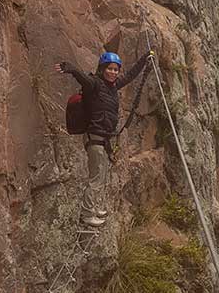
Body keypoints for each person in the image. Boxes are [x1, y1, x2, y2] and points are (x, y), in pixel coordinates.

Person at [55, 50, 153, 226]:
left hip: (102, 139)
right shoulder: (95, 85)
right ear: (102, 69)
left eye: (116, 69)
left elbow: (130, 76)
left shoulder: (113, 87)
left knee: (102, 176)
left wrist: (144, 59)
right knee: (96, 178)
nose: (113, 72)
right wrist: (71, 69)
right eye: (110, 69)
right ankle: (87, 215)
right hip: (95, 138)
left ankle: (94, 208)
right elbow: (83, 79)